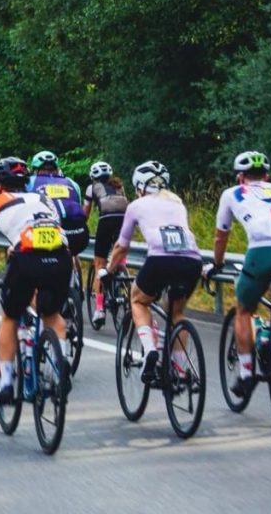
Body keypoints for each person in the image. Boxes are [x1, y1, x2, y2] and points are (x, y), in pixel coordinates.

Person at [203, 151, 271, 397]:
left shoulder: (232, 194)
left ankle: (247, 373)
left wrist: (216, 264)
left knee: (244, 309)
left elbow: (221, 235)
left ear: (240, 177)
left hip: (262, 250)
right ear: (267, 175)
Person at [0, 157, 72, 402]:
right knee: (52, 315)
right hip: (61, 257)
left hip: (27, 259)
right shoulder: (42, 198)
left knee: (10, 315)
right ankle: (61, 366)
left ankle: (6, 382)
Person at [105, 161, 202, 383]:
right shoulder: (178, 203)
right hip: (192, 261)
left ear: (139, 187)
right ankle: (178, 369)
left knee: (139, 301)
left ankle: (150, 350)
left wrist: (108, 271)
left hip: (160, 259)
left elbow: (121, 246)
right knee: (176, 313)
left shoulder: (137, 205)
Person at [83, 161, 129, 327]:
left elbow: (85, 214)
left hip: (106, 221)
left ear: (93, 177)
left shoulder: (91, 188)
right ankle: (122, 273)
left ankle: (99, 309)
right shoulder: (119, 186)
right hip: (124, 221)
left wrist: (82, 227)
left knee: (99, 265)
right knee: (120, 253)